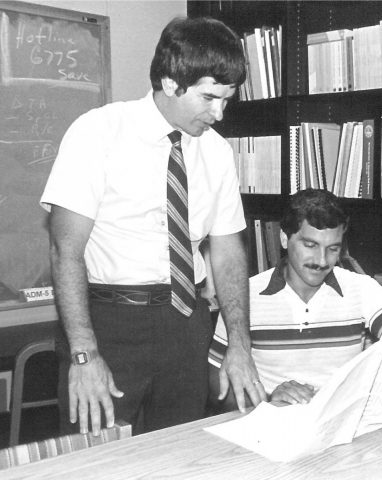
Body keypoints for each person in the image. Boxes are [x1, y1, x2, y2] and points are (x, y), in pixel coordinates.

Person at [40, 16, 266, 437]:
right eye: (209, 97)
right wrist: (84, 355)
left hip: (185, 324)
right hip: (109, 325)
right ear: (169, 82)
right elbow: (64, 251)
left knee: (176, 455)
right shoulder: (98, 133)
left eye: (228, 99)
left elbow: (228, 251)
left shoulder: (216, 153)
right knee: (99, 461)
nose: (219, 113)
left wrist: (240, 343)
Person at [208, 188, 382, 414]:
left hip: (338, 427)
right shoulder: (243, 296)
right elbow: (217, 389)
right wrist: (270, 402)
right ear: (284, 238)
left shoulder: (360, 288)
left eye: (332, 249)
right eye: (310, 245)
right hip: (268, 428)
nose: (321, 261)